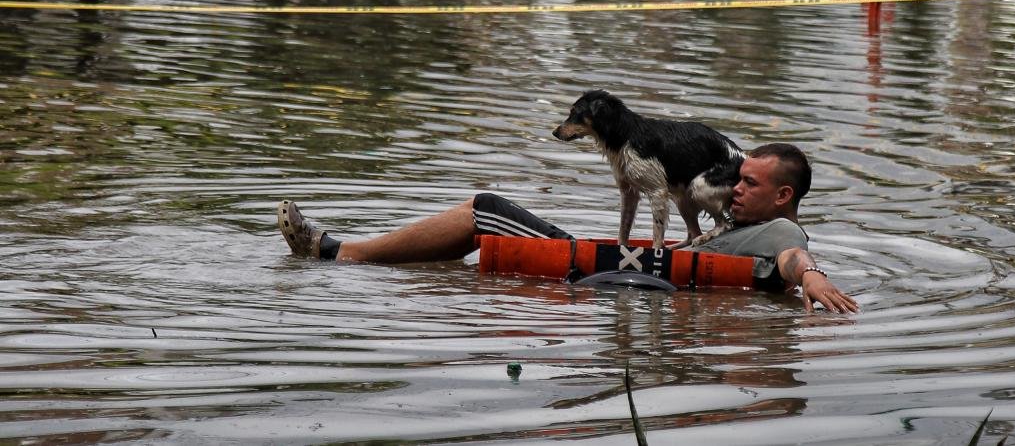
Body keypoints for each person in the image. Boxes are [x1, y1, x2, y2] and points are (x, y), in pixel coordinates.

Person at [278, 143, 859, 314]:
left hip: (597, 276)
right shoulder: (744, 223)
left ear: (783, 196)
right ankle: (358, 257)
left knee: (484, 207)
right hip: (618, 269)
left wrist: (811, 278)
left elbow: (794, 259)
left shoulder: (781, 233)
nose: (734, 187)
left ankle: (339, 254)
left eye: (749, 184)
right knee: (488, 221)